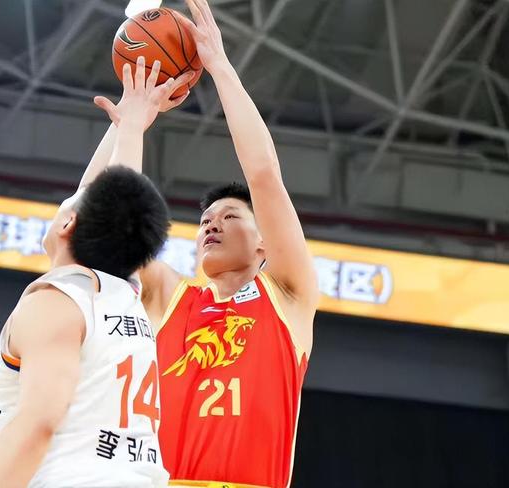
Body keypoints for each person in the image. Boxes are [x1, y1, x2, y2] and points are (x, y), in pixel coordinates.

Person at [0, 60, 192, 488]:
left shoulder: (55, 303)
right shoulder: (126, 294)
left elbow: (39, 421)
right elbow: (116, 205)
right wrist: (129, 124)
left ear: (67, 224)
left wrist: (132, 126)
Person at [139, 1, 320, 487]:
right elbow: (115, 221)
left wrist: (218, 66)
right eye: (204, 220)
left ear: (263, 244)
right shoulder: (172, 298)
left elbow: (263, 175)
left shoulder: (287, 295)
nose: (211, 225)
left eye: (230, 216)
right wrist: (131, 122)